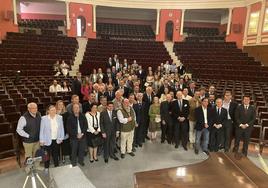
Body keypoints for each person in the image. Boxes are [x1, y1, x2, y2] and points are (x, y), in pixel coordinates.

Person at [16, 102, 41, 169]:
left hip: (37, 140)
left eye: (36, 108)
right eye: (33, 108)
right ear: (28, 109)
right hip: (28, 141)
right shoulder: (23, 118)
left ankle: (37, 166)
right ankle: (29, 168)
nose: (35, 109)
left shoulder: (39, 114)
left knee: (37, 154)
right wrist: (28, 135)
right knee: (29, 156)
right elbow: (19, 130)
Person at [39, 105, 64, 171]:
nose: (53, 111)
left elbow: (62, 129)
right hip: (47, 140)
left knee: (56, 154)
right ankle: (46, 167)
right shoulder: (44, 118)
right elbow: (41, 130)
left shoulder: (59, 117)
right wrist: (41, 140)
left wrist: (61, 138)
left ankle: (57, 167)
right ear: (48, 111)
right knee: (46, 155)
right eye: (52, 110)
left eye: (54, 110)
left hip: (56, 139)